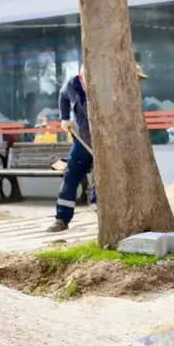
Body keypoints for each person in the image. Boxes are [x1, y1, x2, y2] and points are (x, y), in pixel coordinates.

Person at [48, 62, 148, 232]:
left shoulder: (117, 90)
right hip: (83, 141)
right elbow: (63, 96)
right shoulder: (74, 85)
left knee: (104, 176)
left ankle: (98, 206)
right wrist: (64, 118)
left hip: (109, 142)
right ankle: (62, 219)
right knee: (71, 177)